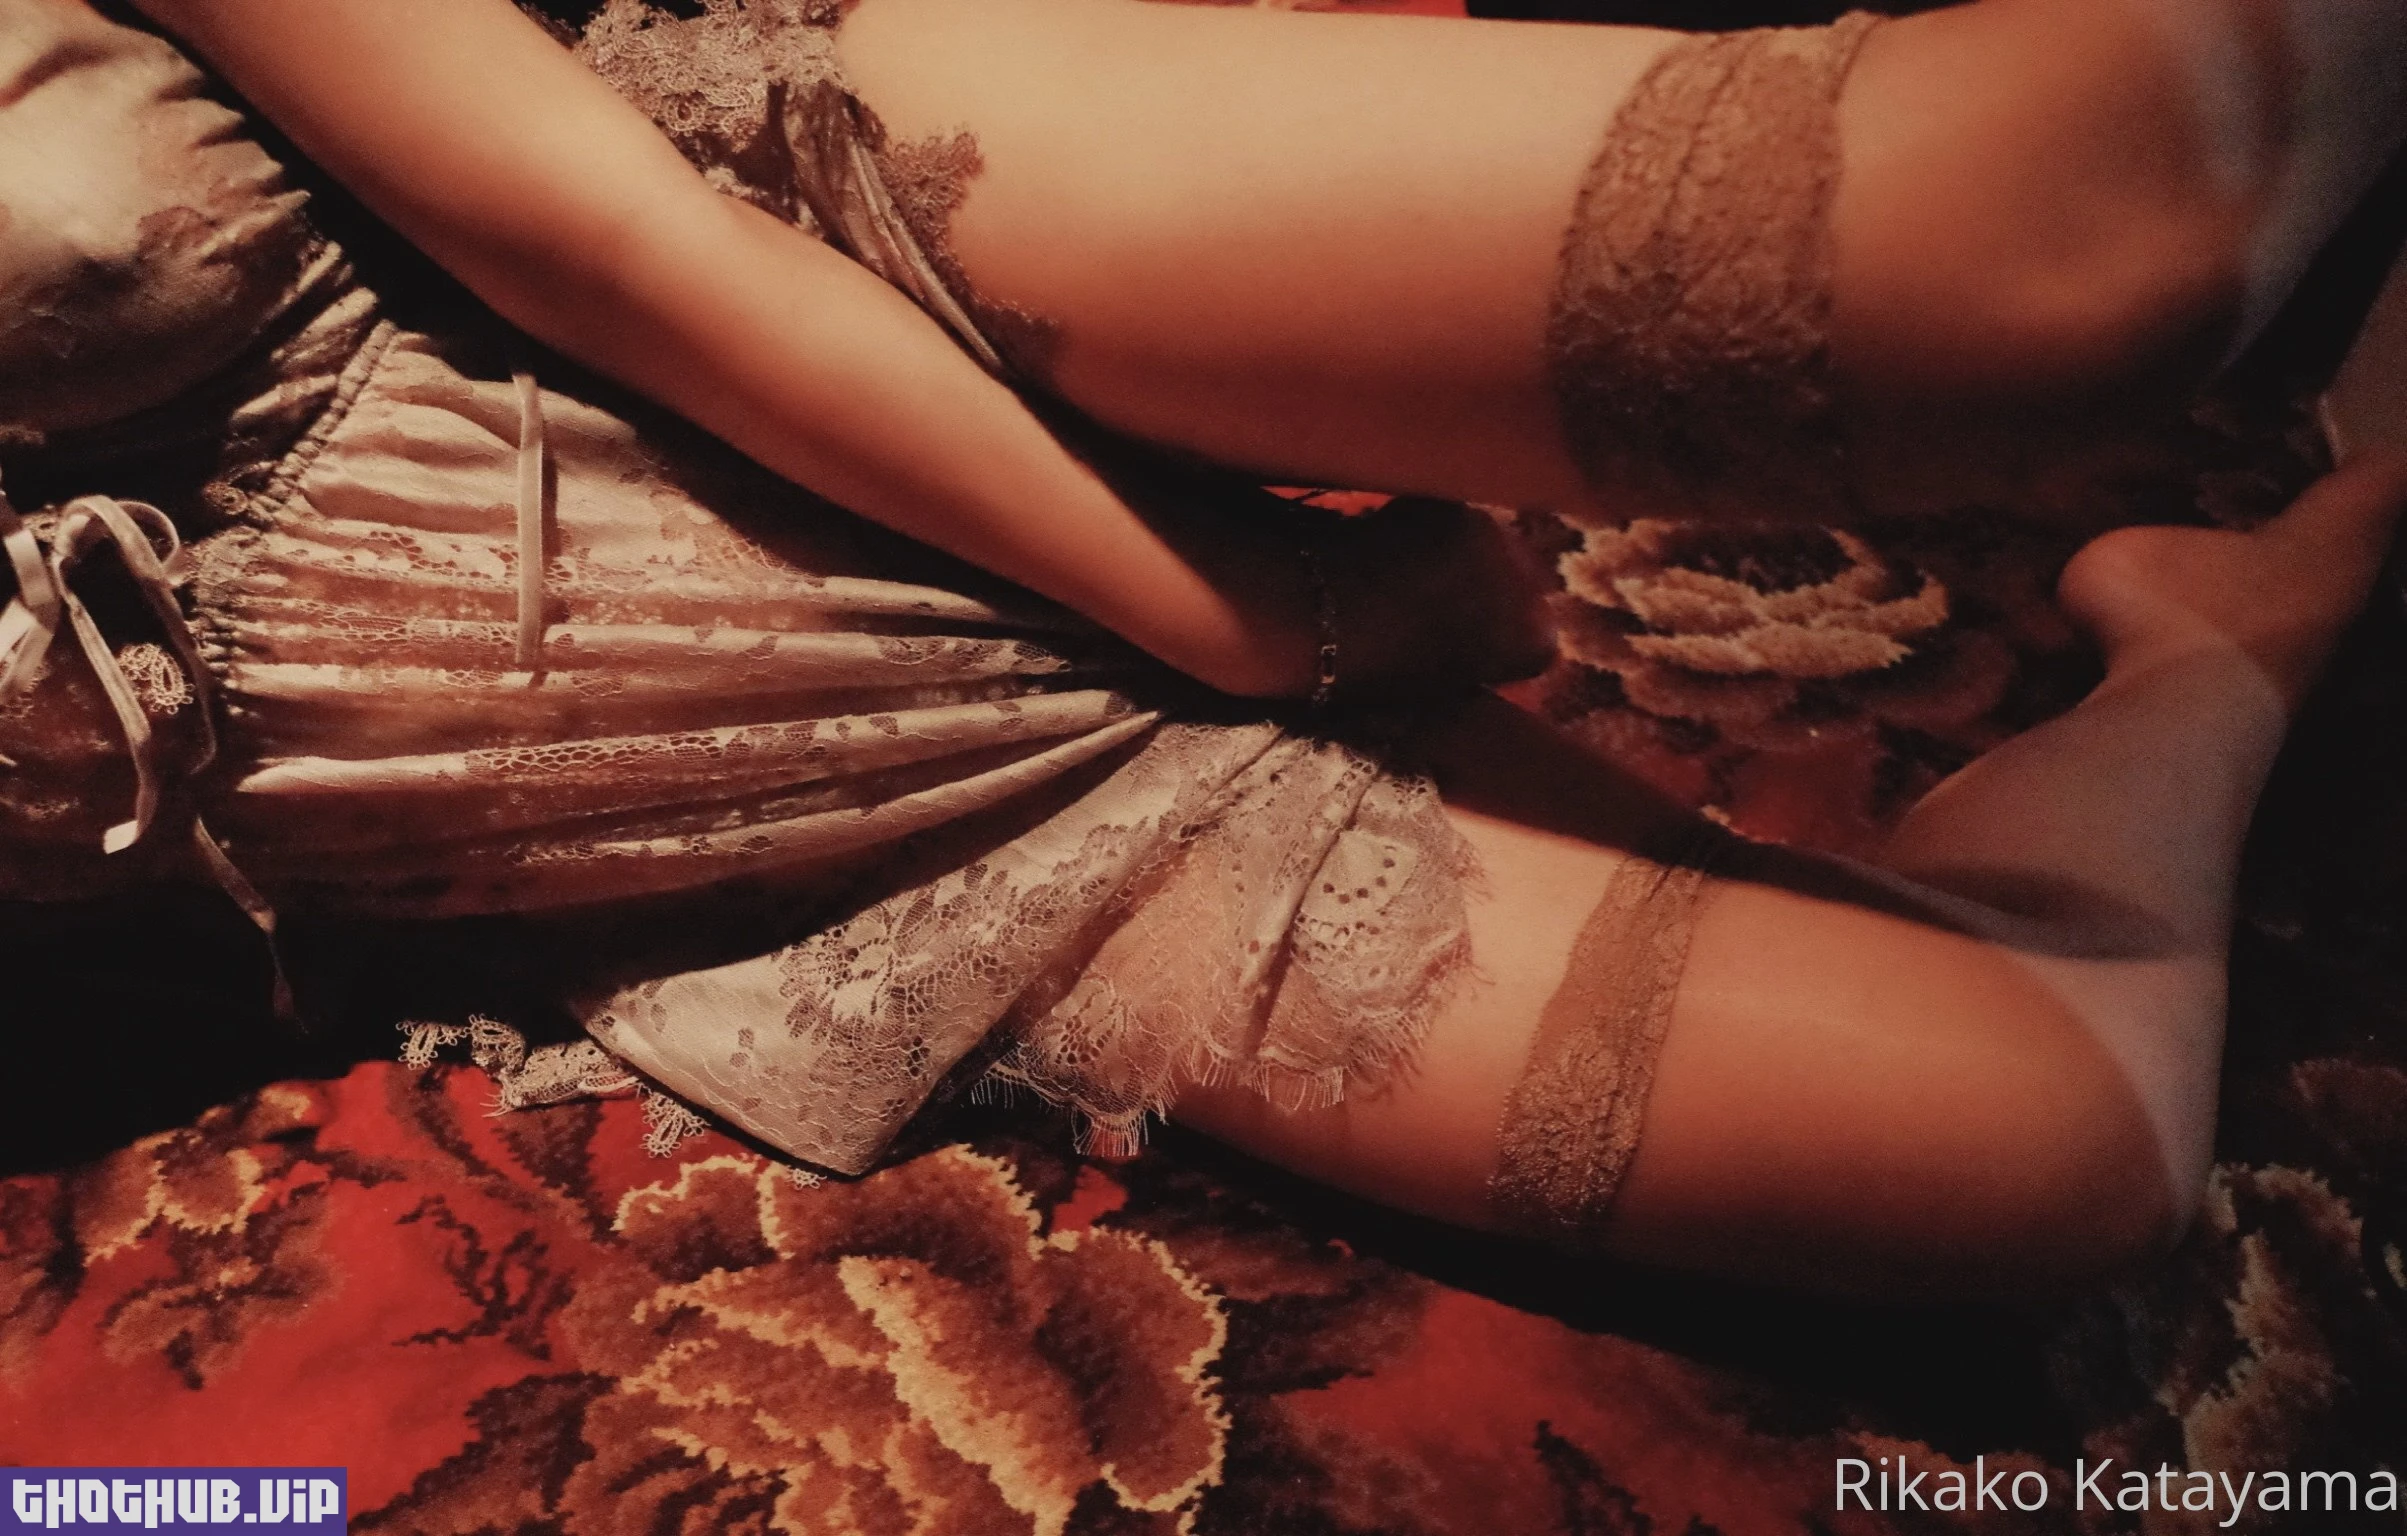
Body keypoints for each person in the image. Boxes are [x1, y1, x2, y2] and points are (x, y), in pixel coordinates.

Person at [3, 0, 2399, 1296]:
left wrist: (1244, 604)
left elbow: (605, 238)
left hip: (796, 260)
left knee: (2058, 236)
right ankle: (2215, 649)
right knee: (2053, 1146)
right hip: (743, 829)